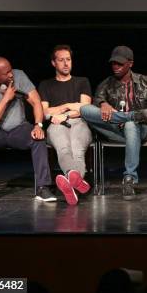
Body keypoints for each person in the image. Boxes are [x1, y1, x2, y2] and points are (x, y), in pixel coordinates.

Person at [80, 46, 147, 200]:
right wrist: (102, 104)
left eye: (119, 64)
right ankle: (126, 117)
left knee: (131, 124)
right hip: (116, 130)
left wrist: (134, 118)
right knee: (84, 110)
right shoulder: (106, 84)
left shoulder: (146, 82)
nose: (115, 67)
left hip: (142, 129)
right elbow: (96, 102)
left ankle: (129, 178)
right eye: (113, 64)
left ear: (130, 63)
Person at [0, 57, 56, 205]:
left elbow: (36, 101)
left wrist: (38, 125)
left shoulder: (19, 76)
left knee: (38, 138)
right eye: (6, 73)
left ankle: (42, 187)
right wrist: (5, 99)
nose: (11, 75)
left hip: (19, 128)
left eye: (10, 70)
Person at [38, 45, 92, 205]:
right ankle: (75, 180)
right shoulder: (46, 85)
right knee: (63, 149)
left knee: (77, 149)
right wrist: (67, 106)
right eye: (61, 60)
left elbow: (84, 109)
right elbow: (44, 112)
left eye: (68, 59)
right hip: (56, 125)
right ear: (53, 63)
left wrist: (63, 114)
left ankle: (70, 181)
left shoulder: (82, 81)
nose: (66, 63)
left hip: (79, 122)